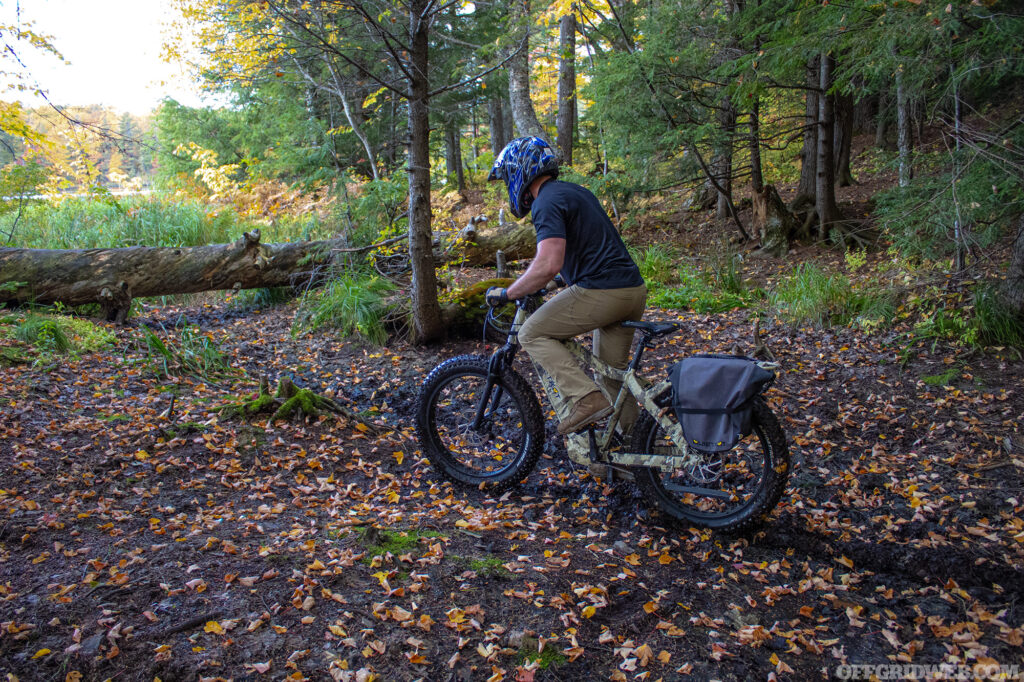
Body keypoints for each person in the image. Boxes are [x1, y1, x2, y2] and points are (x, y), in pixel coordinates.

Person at [485, 136, 647, 436]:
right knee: (610, 375)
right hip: (630, 291)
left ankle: (586, 400)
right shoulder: (574, 192)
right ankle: (634, 450)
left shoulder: (545, 202)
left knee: (531, 333)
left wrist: (509, 292)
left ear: (520, 171)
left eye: (507, 176)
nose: (508, 182)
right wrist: (556, 282)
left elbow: (548, 263)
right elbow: (590, 248)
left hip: (604, 292)